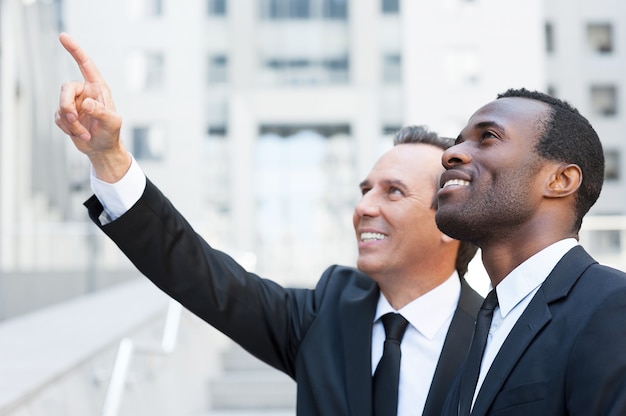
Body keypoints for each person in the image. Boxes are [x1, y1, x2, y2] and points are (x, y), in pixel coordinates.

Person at [55, 32, 483, 415]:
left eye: (393, 192)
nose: (364, 207)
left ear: (449, 221)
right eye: (365, 189)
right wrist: (108, 157)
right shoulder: (326, 314)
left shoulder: (499, 335)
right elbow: (198, 273)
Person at [436, 88, 626, 415]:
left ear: (560, 180)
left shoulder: (613, 307)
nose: (450, 154)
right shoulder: (482, 328)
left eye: (488, 137)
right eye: (458, 141)